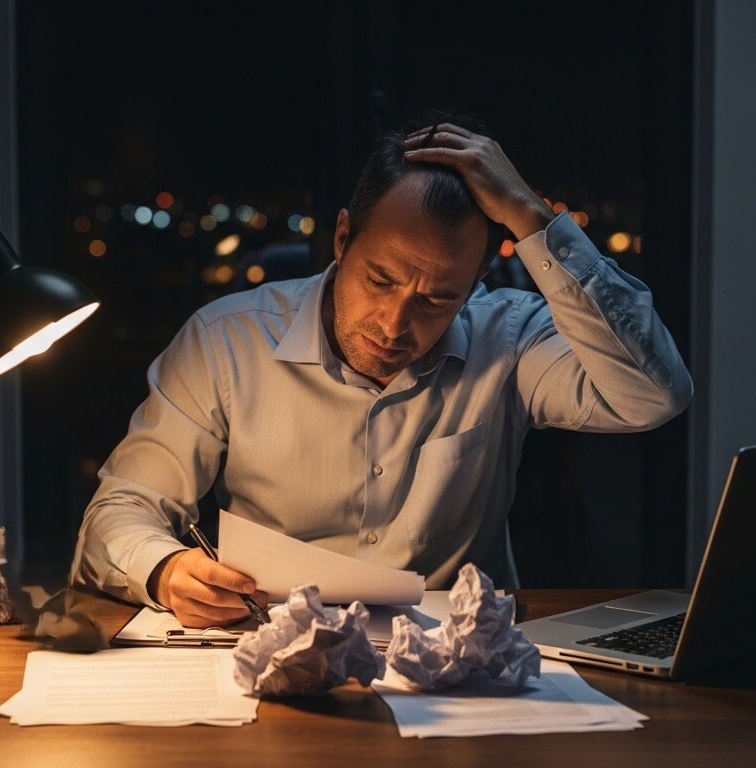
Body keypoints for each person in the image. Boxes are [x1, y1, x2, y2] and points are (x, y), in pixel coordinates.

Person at [73, 114, 693, 628]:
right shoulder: (225, 341)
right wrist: (164, 569)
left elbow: (652, 397)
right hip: (269, 652)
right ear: (342, 239)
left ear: (476, 282)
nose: (395, 326)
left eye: (437, 299)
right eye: (380, 279)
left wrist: (532, 217)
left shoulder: (508, 337)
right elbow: (122, 508)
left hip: (458, 665)